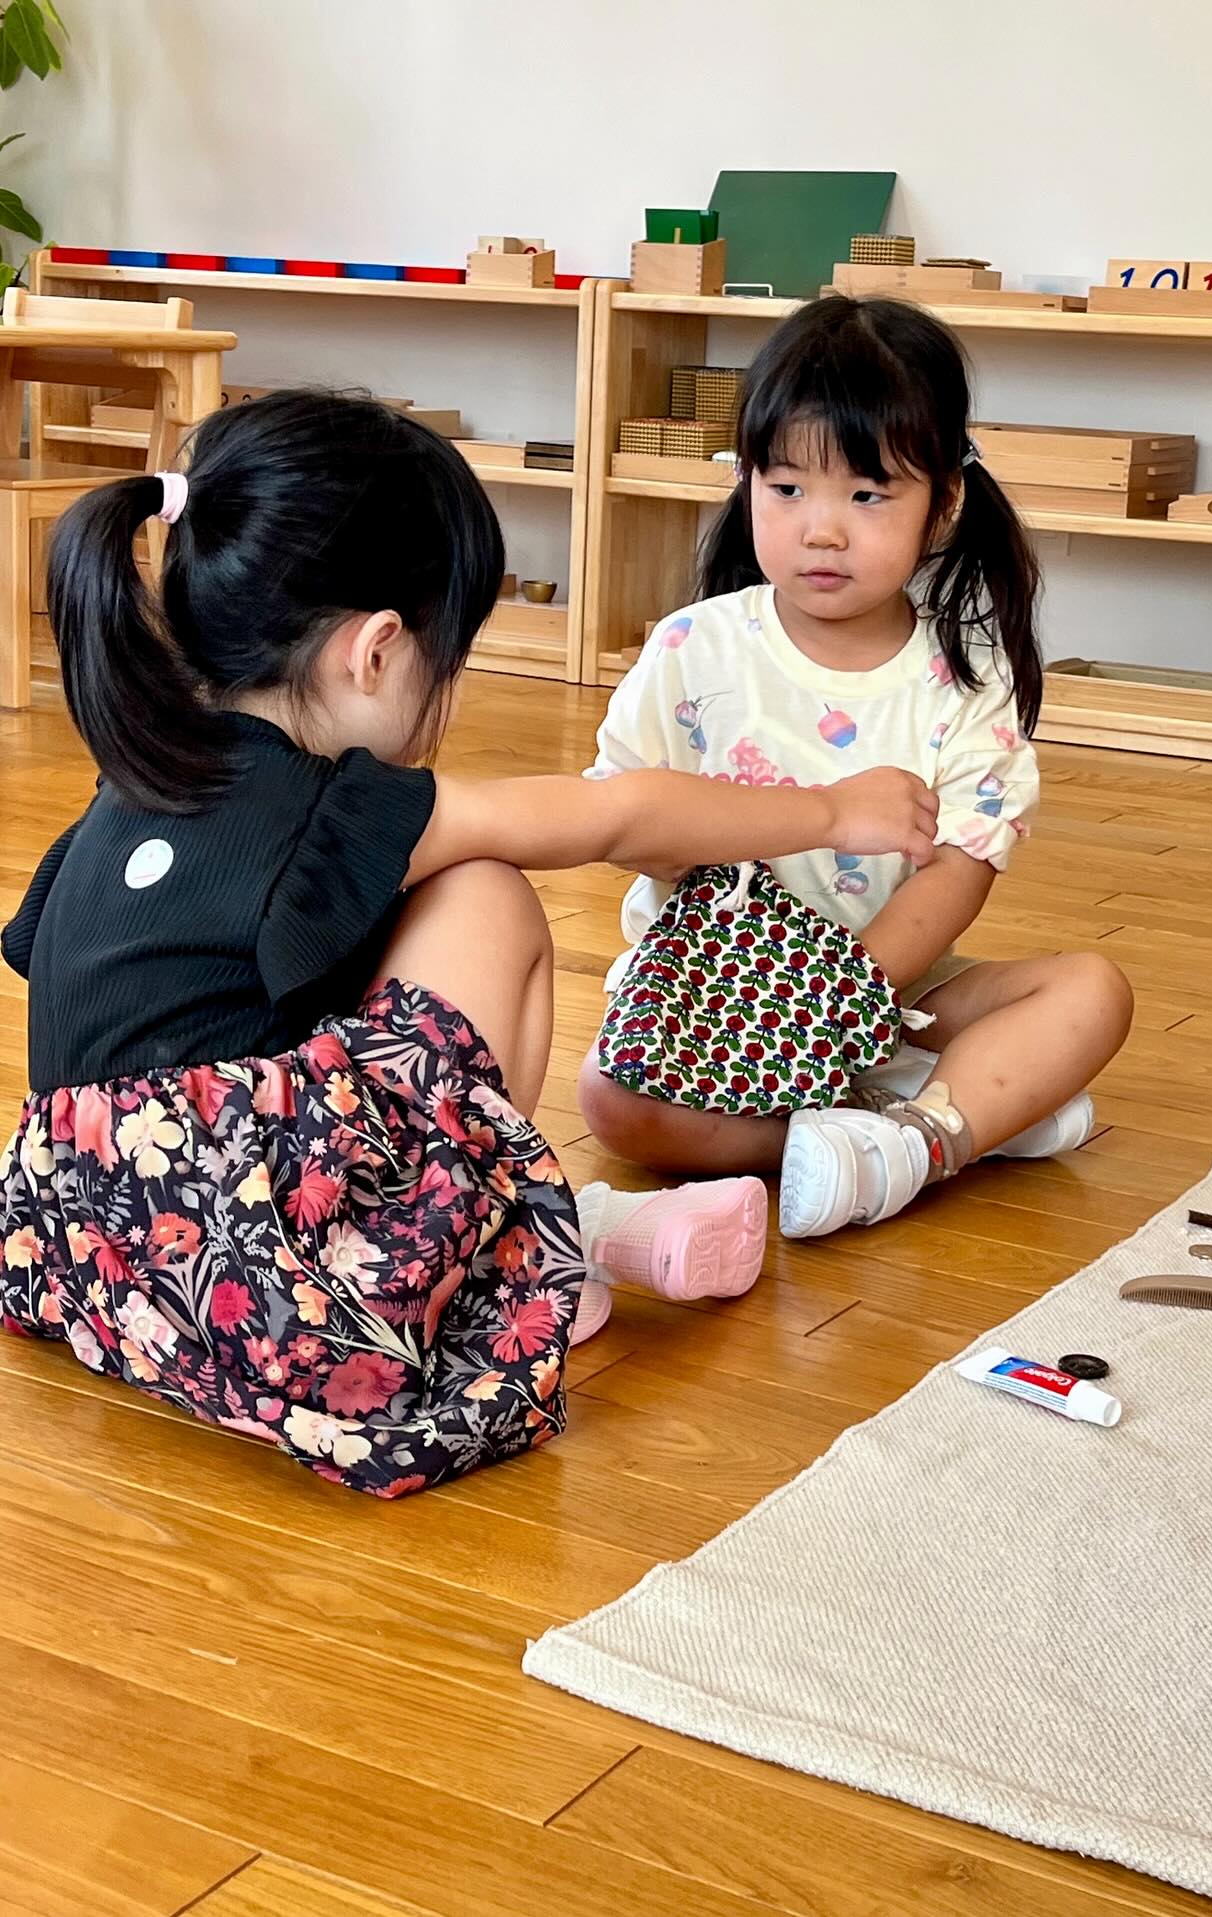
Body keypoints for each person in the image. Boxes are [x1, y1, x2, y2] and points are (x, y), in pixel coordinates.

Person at [0, 390, 938, 1495]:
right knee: (488, 888)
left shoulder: (123, 791)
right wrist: (835, 813)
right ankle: (494, 1262)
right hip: (289, 1315)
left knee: (377, 942)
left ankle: (510, 1239)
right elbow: (618, 818)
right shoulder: (335, 806)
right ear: (378, 652)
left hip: (84, 1258)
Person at [578, 297, 1133, 1237]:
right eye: (787, 488)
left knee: (1093, 992)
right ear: (746, 481)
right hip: (713, 995)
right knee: (612, 1105)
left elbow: (959, 870)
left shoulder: (965, 680)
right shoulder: (689, 650)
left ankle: (912, 1139)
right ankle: (951, 1123)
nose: (822, 529)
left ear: (944, 502)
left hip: (892, 990)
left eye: (868, 496)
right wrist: (767, 987)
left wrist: (845, 998)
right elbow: (620, 817)